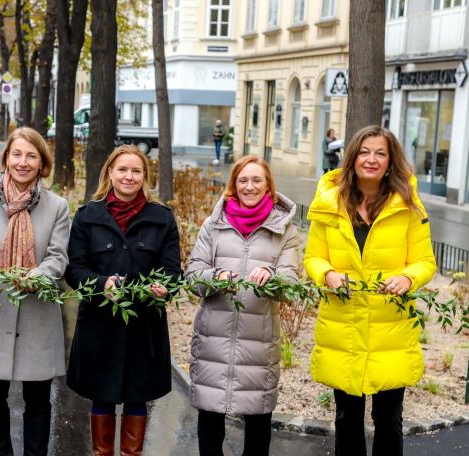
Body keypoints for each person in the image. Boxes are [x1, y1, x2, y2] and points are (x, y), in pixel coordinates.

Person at [304, 125, 436, 456]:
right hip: (343, 326)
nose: (371, 159)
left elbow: (424, 262)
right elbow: (313, 257)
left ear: (391, 161)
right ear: (352, 157)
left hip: (389, 329)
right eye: (364, 152)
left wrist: (407, 278)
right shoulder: (329, 202)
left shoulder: (408, 204)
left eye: (380, 153)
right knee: (346, 418)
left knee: (389, 419)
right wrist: (328, 274)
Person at [65, 145, 181, 456]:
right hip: (99, 327)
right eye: (122, 170)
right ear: (110, 173)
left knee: (136, 397)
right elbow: (74, 270)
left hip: (143, 328)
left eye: (136, 171)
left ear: (145, 176)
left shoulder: (162, 218)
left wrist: (164, 287)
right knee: (101, 396)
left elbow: (173, 272)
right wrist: (102, 283)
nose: (128, 176)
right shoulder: (88, 216)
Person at [0, 127, 70, 456]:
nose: (23, 162)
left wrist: (38, 275)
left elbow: (58, 257)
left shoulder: (57, 207)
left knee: (38, 402)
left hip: (38, 314)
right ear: (6, 159)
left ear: (42, 163)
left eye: (32, 155)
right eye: (17, 154)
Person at [185, 155, 300, 456]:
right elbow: (193, 277)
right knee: (210, 423)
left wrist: (273, 276)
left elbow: (291, 283)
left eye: (257, 180)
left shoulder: (284, 229)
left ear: (269, 186)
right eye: (243, 180)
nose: (250, 186)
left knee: (258, 424)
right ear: (234, 186)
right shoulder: (214, 225)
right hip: (213, 339)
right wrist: (217, 276)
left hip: (258, 342)